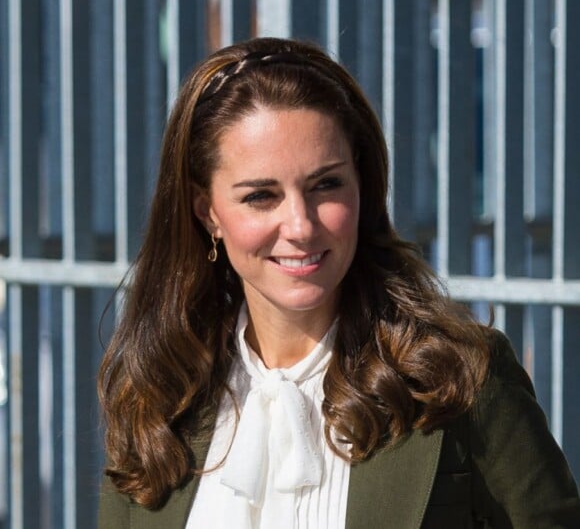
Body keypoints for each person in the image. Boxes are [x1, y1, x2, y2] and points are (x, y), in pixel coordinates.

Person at [98, 37, 580, 528]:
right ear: (209, 213)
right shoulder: (160, 392)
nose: (301, 225)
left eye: (325, 184)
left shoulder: (459, 378)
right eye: (261, 196)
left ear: (362, 183)